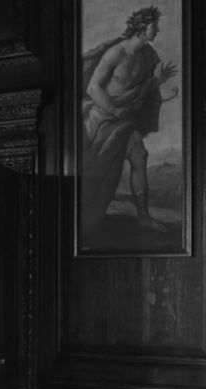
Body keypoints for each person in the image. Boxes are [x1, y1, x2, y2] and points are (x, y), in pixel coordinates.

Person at [81, 6, 177, 233]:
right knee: (94, 170)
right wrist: (113, 111)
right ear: (142, 28)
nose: (158, 31)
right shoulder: (117, 53)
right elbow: (93, 88)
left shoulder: (149, 55)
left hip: (124, 121)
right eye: (154, 27)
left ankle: (143, 216)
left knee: (139, 156)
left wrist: (159, 83)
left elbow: (145, 89)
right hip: (102, 119)